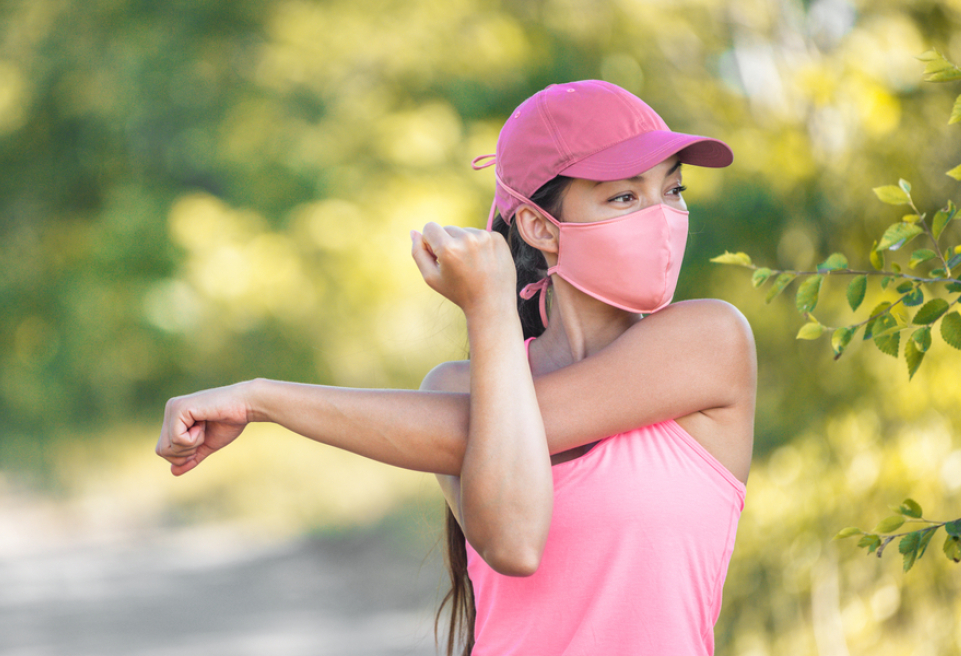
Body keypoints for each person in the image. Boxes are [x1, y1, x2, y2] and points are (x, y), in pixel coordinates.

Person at [157, 80, 756, 656]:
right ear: (539, 226)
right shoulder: (455, 389)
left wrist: (261, 399)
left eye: (673, 191)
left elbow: (493, 446)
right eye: (625, 196)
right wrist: (490, 311)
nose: (662, 218)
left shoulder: (708, 343)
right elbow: (512, 539)